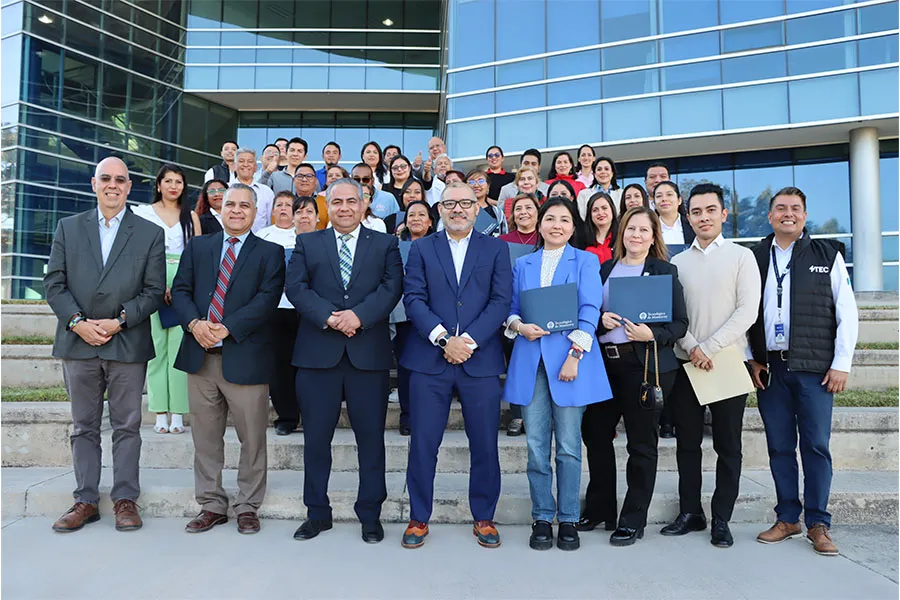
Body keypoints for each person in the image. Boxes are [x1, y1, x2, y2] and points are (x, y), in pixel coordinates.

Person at [45, 156, 166, 533]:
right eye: (106, 178)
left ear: (130, 187)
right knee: (83, 426)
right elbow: (54, 284)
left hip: (126, 342)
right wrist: (79, 324)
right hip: (78, 342)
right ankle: (85, 500)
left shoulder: (149, 232)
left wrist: (120, 320)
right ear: (93, 183)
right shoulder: (68, 227)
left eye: (121, 180)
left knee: (127, 425)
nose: (113, 185)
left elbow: (153, 291)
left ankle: (125, 498)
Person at [286, 178, 404, 544]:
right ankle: (317, 514)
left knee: (370, 441)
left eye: (352, 201)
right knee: (316, 441)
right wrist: (330, 317)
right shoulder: (307, 242)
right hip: (317, 354)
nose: (345, 208)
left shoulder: (385, 243)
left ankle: (370, 514)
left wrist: (359, 316)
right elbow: (296, 288)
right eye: (336, 201)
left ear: (364, 203)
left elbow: (391, 287)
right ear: (327, 205)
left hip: (366, 356)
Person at [400, 182, 512, 549]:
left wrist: (469, 342)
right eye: (450, 203)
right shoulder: (421, 248)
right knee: (423, 443)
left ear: (478, 208)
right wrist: (444, 340)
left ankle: (484, 516)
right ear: (440, 209)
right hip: (429, 361)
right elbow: (413, 298)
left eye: (466, 202)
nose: (458, 209)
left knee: (484, 444)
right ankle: (418, 518)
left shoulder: (496, 248)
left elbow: (500, 301)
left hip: (479, 361)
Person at [747, 187, 859, 557]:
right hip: (771, 368)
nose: (788, 214)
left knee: (815, 446)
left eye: (795, 208)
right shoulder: (756, 256)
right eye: (780, 208)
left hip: (815, 369)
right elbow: (746, 311)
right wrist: (752, 357)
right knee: (779, 447)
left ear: (804, 216)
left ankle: (818, 524)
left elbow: (847, 312)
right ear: (770, 216)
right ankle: (787, 518)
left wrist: (841, 363)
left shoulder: (827, 255)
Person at [172, 183, 284, 535]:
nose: (236, 210)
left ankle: (248, 506)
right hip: (199, 355)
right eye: (230, 204)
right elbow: (181, 290)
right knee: (205, 438)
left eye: (244, 206)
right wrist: (194, 324)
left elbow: (267, 299)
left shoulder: (270, 251)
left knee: (252, 438)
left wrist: (226, 328)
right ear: (220, 208)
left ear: (255, 212)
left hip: (245, 357)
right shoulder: (199, 246)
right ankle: (211, 504)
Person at [504, 197, 612, 551]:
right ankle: (541, 515)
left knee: (567, 447)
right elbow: (512, 308)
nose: (556, 225)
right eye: (549, 218)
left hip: (570, 363)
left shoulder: (585, 261)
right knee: (536, 447)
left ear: (572, 225)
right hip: (532, 361)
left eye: (564, 220)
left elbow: (590, 308)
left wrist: (575, 355)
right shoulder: (523, 263)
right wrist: (519, 326)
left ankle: (567, 518)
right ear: (539, 223)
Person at [579, 207, 688, 546]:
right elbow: (588, 312)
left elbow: (679, 325)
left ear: (654, 236)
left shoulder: (664, 271)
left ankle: (632, 519)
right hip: (604, 365)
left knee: (641, 443)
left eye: (644, 230)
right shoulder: (605, 269)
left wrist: (650, 334)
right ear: (621, 233)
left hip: (643, 366)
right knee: (595, 434)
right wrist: (601, 322)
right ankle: (600, 508)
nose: (636, 236)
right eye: (631, 229)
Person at [660, 183, 761, 548]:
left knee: (728, 446)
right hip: (686, 364)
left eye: (710, 210)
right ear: (688, 218)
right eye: (696, 212)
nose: (703, 217)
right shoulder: (677, 262)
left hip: (727, 364)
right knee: (687, 443)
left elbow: (747, 312)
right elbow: (672, 313)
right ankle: (691, 512)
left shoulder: (741, 257)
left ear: (724, 213)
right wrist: (692, 347)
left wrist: (710, 348)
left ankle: (722, 517)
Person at [133, 164, 201, 435]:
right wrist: (157, 284)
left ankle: (178, 415)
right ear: (158, 185)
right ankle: (160, 411)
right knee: (156, 350)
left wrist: (181, 285)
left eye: (179, 182)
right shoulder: (143, 213)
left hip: (183, 281)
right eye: (168, 181)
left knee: (178, 350)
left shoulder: (191, 216)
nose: (174, 186)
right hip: (151, 280)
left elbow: (196, 255)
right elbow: (137, 253)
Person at [257, 191, 306, 435]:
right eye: (280, 204)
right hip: (276, 310)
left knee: (306, 366)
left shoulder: (307, 235)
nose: (285, 208)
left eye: (290, 205)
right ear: (273, 209)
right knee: (280, 368)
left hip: (305, 310)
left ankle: (307, 414)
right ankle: (286, 417)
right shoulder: (262, 236)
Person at [498, 192, 541, 437]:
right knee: (516, 365)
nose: (523, 212)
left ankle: (539, 415)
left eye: (528, 207)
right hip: (510, 311)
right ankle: (517, 415)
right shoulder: (503, 241)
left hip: (541, 309)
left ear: (537, 211)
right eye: (518, 209)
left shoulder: (547, 237)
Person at [391, 199, 436, 436]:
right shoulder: (395, 247)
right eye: (411, 215)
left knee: (431, 368)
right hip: (403, 315)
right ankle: (407, 416)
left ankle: (429, 415)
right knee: (406, 366)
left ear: (430, 222)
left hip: (434, 315)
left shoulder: (440, 247)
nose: (416, 219)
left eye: (421, 215)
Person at [233, 147, 274, 233]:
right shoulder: (226, 189)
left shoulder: (266, 192)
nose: (245, 164)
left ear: (255, 167)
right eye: (241, 161)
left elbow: (271, 222)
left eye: (250, 161)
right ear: (234, 166)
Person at [654, 180, 695, 250]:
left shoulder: (692, 225)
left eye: (669, 194)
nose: (664, 199)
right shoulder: (651, 227)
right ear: (654, 203)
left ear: (679, 200)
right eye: (659, 196)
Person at [467, 168, 508, 236]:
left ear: (488, 186)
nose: (476, 185)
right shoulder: (461, 211)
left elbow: (504, 235)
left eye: (481, 181)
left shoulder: (497, 212)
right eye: (471, 182)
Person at [583, 192, 618, 264]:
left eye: (604, 208)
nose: (600, 213)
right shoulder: (581, 240)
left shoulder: (623, 237)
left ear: (612, 209)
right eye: (595, 210)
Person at [292, 163, 327, 230]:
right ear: (294, 180)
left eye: (309, 176)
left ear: (316, 181)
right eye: (300, 176)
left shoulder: (325, 202)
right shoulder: (286, 202)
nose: (304, 179)